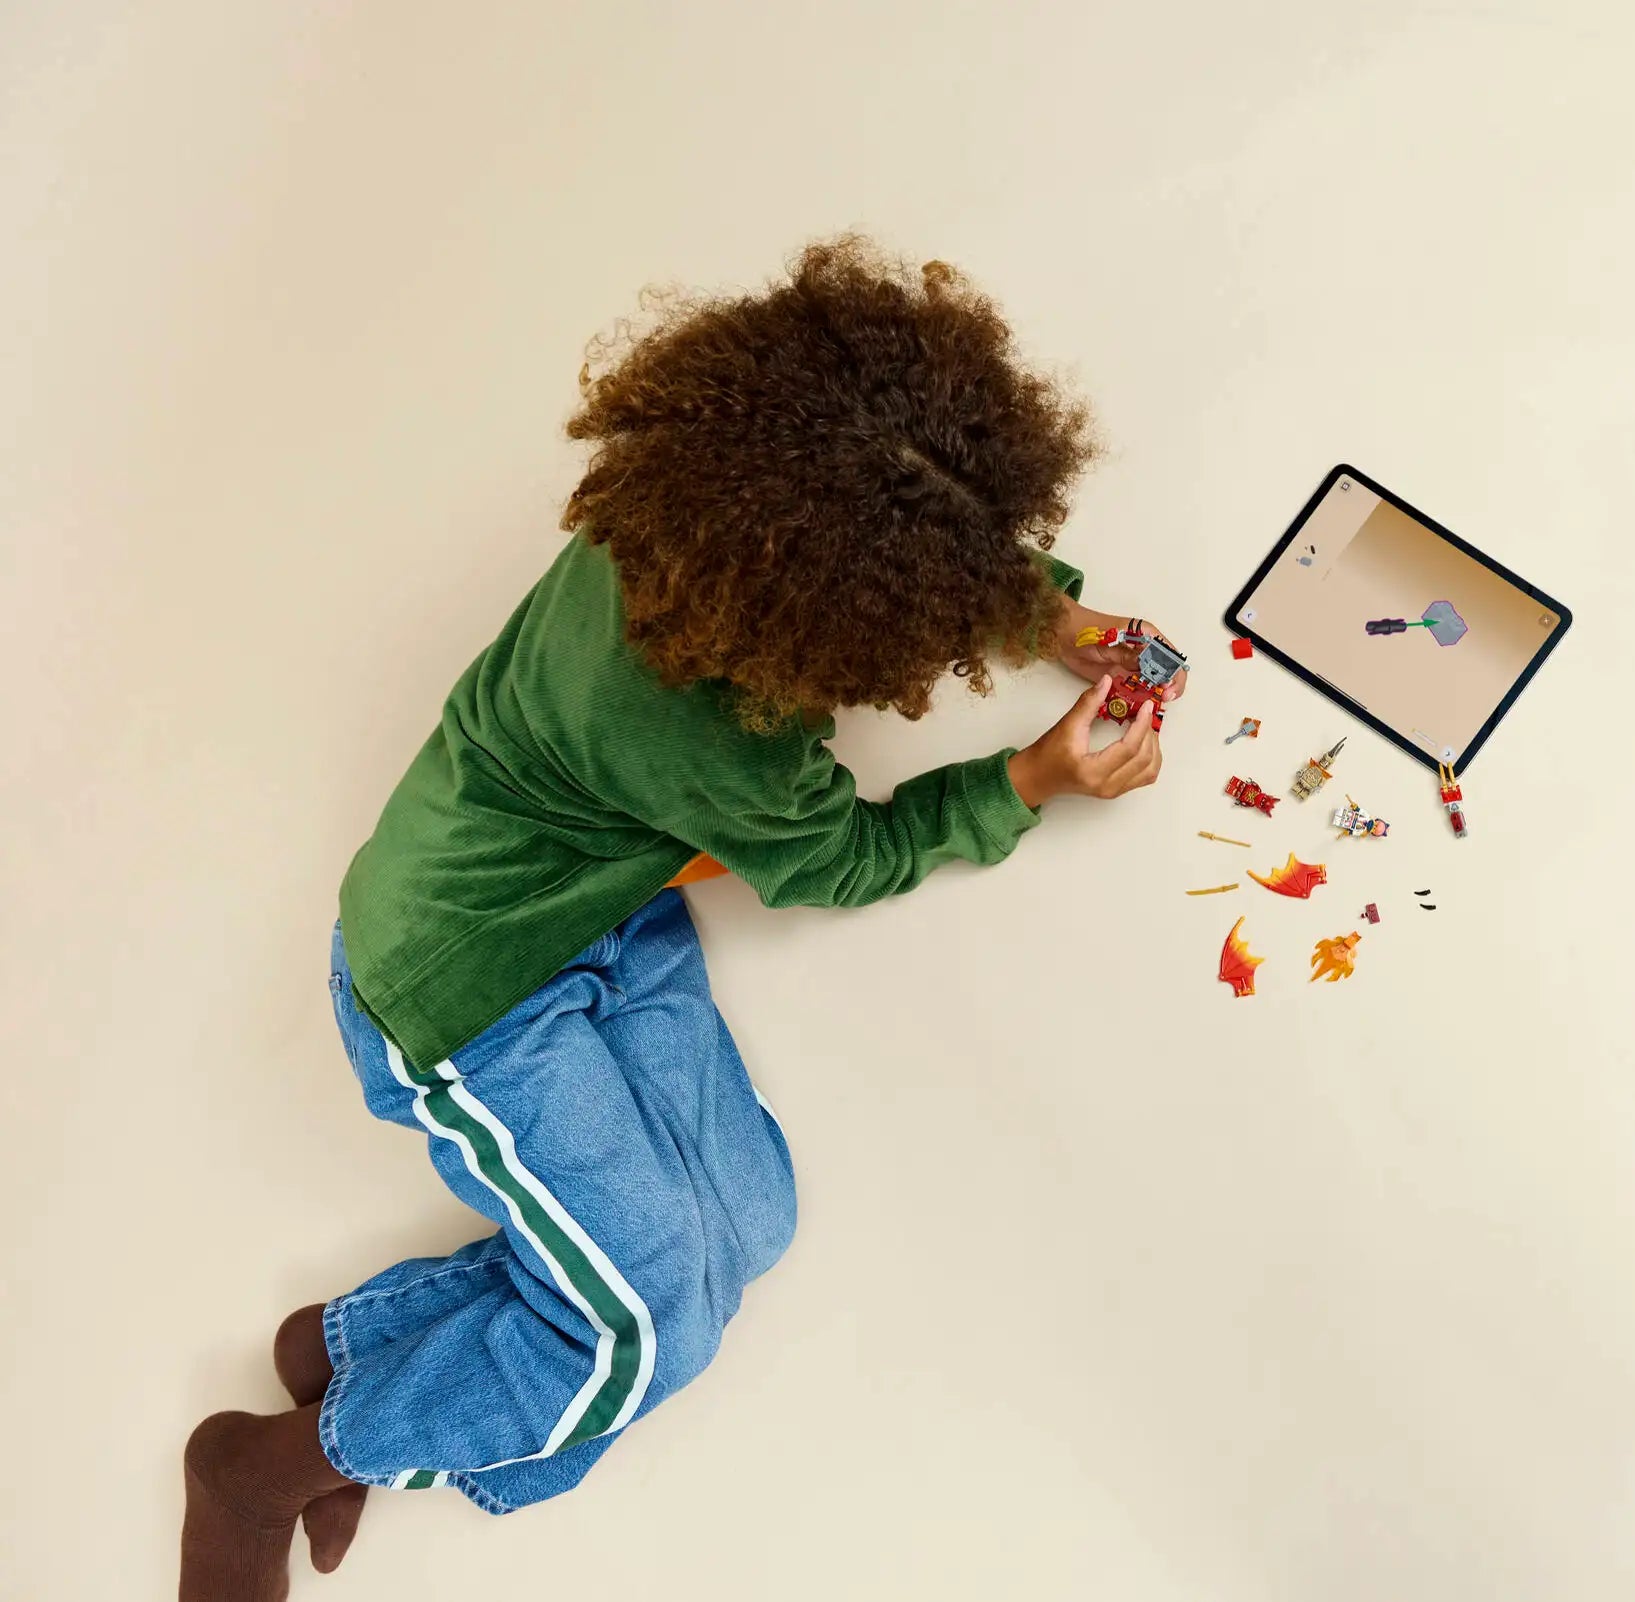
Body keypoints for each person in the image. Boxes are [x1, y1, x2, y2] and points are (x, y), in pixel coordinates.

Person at [179, 238, 1183, 1601]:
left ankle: (346, 1345)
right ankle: (269, 1465)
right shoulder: (717, 736)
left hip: (607, 912)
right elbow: (847, 857)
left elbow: (895, 497)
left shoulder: (683, 515)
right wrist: (1030, 782)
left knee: (752, 1221)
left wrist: (1043, 611)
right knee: (652, 1331)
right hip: (464, 987)